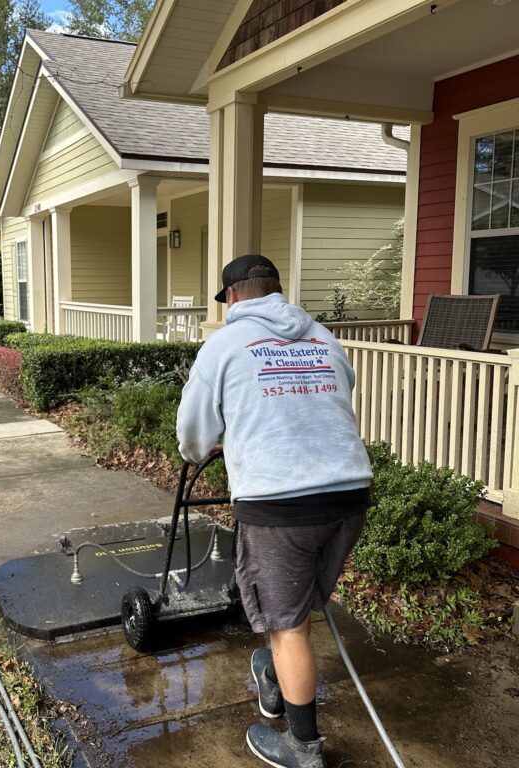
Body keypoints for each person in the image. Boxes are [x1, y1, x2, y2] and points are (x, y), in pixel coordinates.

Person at [176, 254, 372, 768]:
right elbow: (337, 398)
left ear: (233, 298)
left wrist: (207, 448)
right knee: (298, 612)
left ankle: (302, 747)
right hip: (349, 495)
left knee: (287, 625)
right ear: (276, 291)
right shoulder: (324, 338)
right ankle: (274, 671)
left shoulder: (223, 346)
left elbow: (194, 435)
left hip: (281, 504)